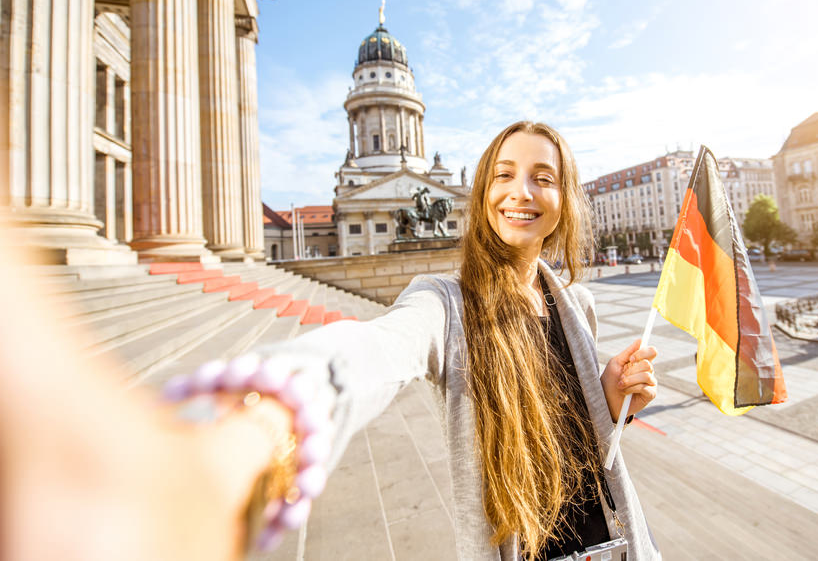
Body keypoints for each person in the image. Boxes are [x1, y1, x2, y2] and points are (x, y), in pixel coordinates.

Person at [1, 121, 660, 560]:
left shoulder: (577, 305)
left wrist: (605, 401)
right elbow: (365, 352)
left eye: (543, 176)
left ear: (565, 199)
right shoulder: (444, 304)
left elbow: (582, 462)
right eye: (505, 173)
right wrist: (261, 419)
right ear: (482, 190)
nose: (523, 190)